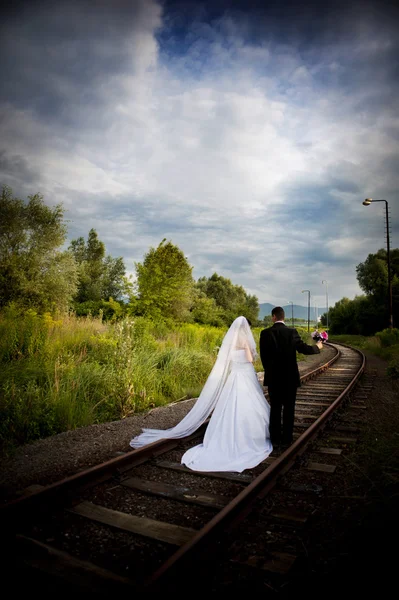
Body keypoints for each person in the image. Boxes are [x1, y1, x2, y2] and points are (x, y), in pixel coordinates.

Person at [130, 316, 273, 473]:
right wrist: (249, 352)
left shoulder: (231, 340)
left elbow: (228, 360)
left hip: (234, 377)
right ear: (246, 328)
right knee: (249, 404)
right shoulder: (245, 340)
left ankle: (225, 435)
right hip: (245, 374)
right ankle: (251, 435)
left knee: (230, 405)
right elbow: (250, 359)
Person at [259, 306, 323, 448]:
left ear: (273, 317)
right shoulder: (291, 332)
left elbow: (264, 357)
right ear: (284, 317)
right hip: (289, 378)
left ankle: (275, 439)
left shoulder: (265, 333)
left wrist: (269, 371)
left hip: (273, 379)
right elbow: (303, 348)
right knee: (289, 409)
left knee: (275, 409)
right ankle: (287, 439)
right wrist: (317, 347)